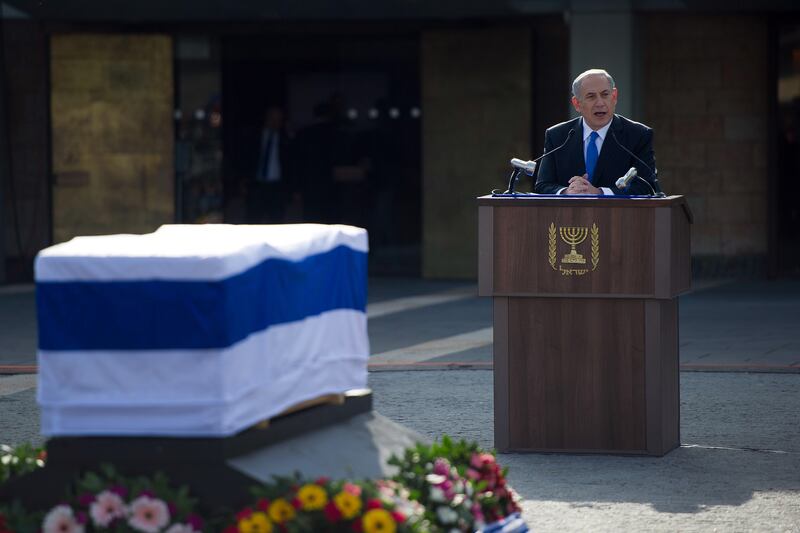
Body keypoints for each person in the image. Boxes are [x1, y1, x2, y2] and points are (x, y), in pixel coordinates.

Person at [534, 69, 658, 196]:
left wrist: (600, 192)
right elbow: (543, 185)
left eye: (605, 95)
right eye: (591, 96)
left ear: (614, 96)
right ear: (577, 103)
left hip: (618, 215)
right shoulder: (557, 135)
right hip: (568, 214)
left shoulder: (638, 135)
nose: (600, 103)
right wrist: (567, 191)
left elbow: (647, 187)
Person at [246, 106, 292, 223]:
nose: (275, 123)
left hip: (277, 186)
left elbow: (291, 163)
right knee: (253, 218)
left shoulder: (285, 139)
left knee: (276, 219)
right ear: (267, 118)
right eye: (273, 119)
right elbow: (246, 158)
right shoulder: (255, 135)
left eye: (278, 120)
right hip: (257, 184)